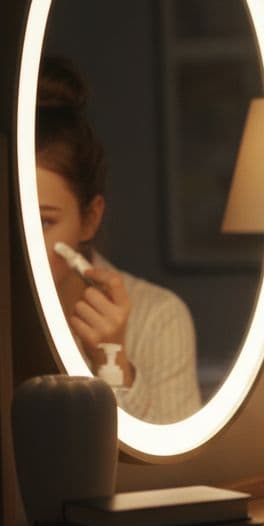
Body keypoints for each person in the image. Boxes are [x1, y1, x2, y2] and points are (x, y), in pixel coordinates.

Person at [37, 56, 201, 423]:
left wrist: (113, 365)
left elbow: (172, 456)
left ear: (89, 219)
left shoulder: (158, 319)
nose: (25, 242)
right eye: (12, 220)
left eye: (45, 221)